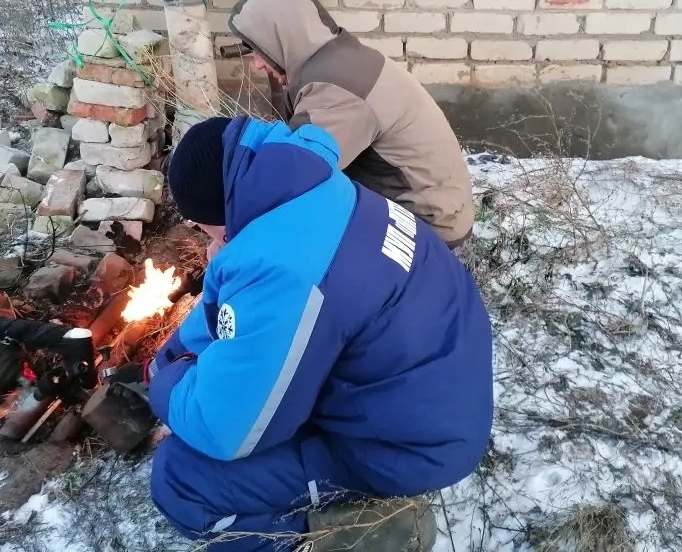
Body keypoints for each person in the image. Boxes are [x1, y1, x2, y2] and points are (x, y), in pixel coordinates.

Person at [127, 114, 494, 552]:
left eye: (199, 224)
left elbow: (227, 432)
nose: (202, 234)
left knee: (183, 478)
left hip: (406, 448)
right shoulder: (316, 193)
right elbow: (240, 316)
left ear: (216, 217)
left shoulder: (282, 266)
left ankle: (360, 535)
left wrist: (165, 385)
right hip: (425, 401)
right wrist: (174, 354)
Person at [225, 0, 475, 249]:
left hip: (429, 224)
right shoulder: (334, 60)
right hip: (424, 202)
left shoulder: (336, 88)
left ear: (282, 38)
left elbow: (294, 181)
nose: (257, 66)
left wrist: (231, 235)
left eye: (259, 51)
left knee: (296, 248)